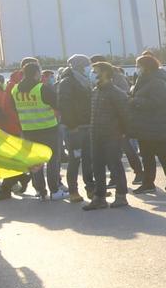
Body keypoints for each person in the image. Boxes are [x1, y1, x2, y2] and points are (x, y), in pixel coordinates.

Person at [11, 59, 66, 200]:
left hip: (28, 131)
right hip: (48, 129)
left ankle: (40, 192)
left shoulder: (15, 89)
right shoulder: (43, 88)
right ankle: (54, 190)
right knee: (52, 160)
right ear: (37, 73)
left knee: (35, 162)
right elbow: (58, 106)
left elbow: (13, 109)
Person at [82, 61, 132, 210]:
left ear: (105, 73)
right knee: (97, 167)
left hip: (112, 135)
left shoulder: (116, 93)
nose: (93, 74)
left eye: (95, 71)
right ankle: (100, 198)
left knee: (114, 165)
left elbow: (125, 115)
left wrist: (123, 133)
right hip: (96, 134)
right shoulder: (95, 91)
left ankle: (121, 196)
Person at [128, 52, 166, 192]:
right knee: (146, 156)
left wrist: (136, 102)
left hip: (156, 124)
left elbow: (157, 102)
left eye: (138, 65)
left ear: (146, 67)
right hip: (144, 124)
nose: (136, 68)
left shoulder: (157, 81)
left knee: (163, 153)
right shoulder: (141, 80)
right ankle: (148, 183)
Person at [55, 55, 94, 202]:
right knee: (75, 159)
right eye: (86, 64)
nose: (88, 67)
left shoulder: (85, 80)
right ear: (78, 65)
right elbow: (64, 105)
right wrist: (72, 126)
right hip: (75, 128)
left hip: (87, 125)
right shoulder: (67, 82)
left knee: (88, 159)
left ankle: (91, 188)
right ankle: (73, 191)